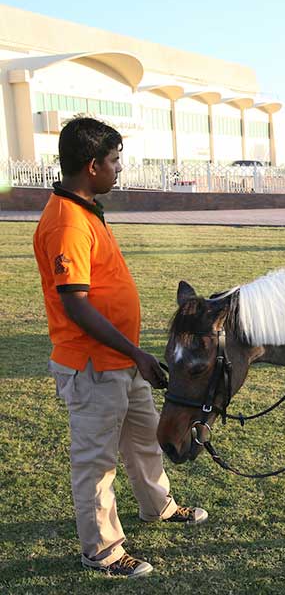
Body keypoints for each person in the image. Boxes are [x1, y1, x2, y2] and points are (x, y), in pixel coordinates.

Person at [33, 117, 208, 578]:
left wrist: (131, 354)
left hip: (121, 360)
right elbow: (77, 306)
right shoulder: (67, 221)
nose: (119, 169)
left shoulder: (85, 207)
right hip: (93, 365)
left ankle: (159, 506)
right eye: (114, 161)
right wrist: (135, 353)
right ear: (92, 165)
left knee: (145, 440)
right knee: (96, 463)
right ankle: (102, 550)